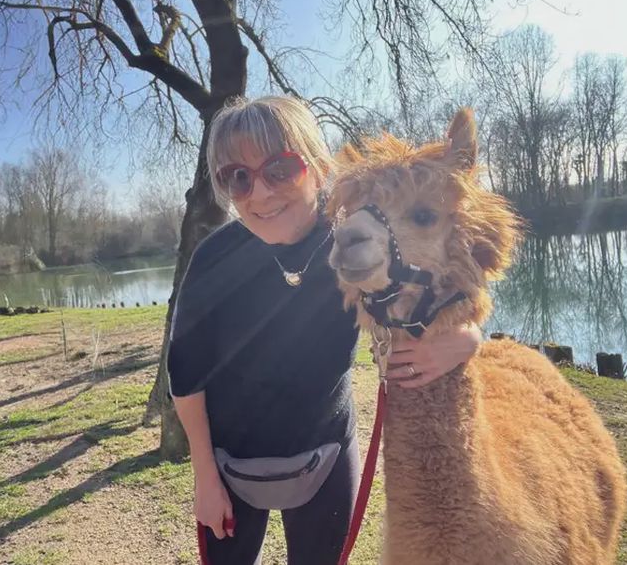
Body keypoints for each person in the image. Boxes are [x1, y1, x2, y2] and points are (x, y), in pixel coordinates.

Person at [167, 95, 481, 565]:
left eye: (280, 169)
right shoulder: (213, 260)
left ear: (316, 165)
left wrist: (470, 338)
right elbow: (186, 377)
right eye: (237, 177)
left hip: (327, 453)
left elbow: (436, 287)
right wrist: (204, 477)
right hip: (230, 463)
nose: (261, 193)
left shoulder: (359, 244)